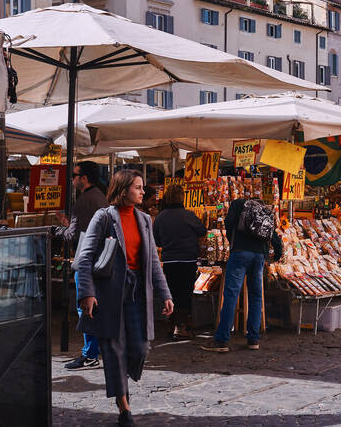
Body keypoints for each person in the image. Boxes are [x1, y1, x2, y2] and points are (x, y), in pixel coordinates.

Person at [76, 169, 173, 427]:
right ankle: (124, 407)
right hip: (109, 293)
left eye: (142, 188)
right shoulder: (104, 217)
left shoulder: (144, 220)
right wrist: (86, 293)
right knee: (113, 349)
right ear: (123, 189)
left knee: (140, 347)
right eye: (138, 187)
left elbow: (153, 262)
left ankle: (121, 379)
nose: (144, 192)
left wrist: (164, 294)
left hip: (138, 290)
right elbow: (85, 257)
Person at [202, 198, 282, 352]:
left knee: (231, 295)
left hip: (240, 253)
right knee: (256, 296)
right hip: (259, 255)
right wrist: (276, 254)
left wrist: (234, 241)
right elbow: (273, 233)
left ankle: (222, 340)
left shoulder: (238, 204)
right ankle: (253, 339)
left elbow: (229, 222)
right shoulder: (262, 209)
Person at [59, 161, 108, 370]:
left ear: (84, 178)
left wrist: (60, 227)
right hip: (99, 260)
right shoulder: (100, 196)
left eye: (74, 175)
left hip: (86, 261)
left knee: (85, 308)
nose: (72, 179)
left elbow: (73, 235)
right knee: (95, 308)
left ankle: (90, 354)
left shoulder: (83, 201)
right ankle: (95, 351)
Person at [153, 183, 206, 338]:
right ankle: (181, 326)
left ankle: (171, 323)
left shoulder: (160, 217)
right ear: (181, 197)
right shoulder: (188, 215)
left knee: (172, 292)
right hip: (187, 260)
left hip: (169, 261)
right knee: (184, 293)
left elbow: (157, 241)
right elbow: (202, 231)